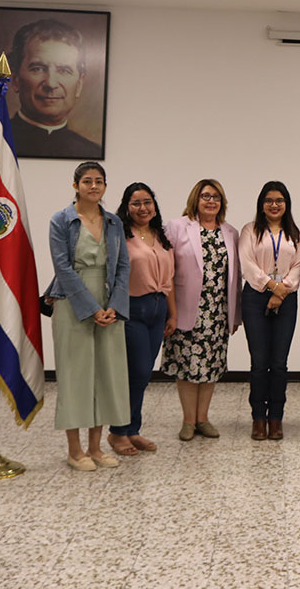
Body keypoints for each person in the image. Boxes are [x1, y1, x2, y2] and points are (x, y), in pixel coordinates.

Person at [45, 162, 129, 470]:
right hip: (72, 303)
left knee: (106, 374)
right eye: (87, 181)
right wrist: (91, 309)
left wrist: (114, 306)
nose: (93, 186)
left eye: (99, 181)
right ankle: (74, 450)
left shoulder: (113, 222)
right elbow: (62, 267)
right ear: (76, 185)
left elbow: (122, 267)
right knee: (76, 375)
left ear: (106, 186)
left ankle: (96, 447)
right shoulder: (61, 220)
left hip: (109, 304)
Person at [162, 179, 241, 441]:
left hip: (217, 311)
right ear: (196, 199)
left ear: (222, 202)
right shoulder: (176, 227)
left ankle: (203, 419)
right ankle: (187, 421)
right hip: (186, 308)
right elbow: (167, 269)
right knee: (186, 367)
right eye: (206, 196)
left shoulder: (230, 232)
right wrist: (168, 310)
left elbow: (235, 276)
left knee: (211, 367)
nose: (211, 201)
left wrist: (235, 314)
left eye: (216, 197)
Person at [106, 182, 175, 456]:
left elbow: (169, 278)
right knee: (134, 373)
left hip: (159, 311)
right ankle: (117, 432)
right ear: (127, 207)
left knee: (144, 374)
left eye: (147, 202)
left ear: (154, 205)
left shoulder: (161, 235)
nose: (143, 208)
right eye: (136, 203)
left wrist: (173, 313)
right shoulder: (120, 235)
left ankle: (133, 430)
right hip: (132, 309)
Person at [240, 181, 300, 441]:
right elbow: (247, 263)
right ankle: (258, 418)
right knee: (259, 363)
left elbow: (298, 265)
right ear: (261, 204)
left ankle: (275, 418)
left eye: (279, 200)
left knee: (279, 364)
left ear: (286, 204)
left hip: (286, 300)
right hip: (256, 298)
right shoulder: (250, 230)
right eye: (269, 200)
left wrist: (282, 290)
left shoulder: (294, 233)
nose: (274, 205)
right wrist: (272, 286)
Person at [8, 18, 101, 158]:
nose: (51, 84)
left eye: (64, 70)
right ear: (15, 79)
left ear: (79, 84)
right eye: (38, 69)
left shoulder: (92, 152)